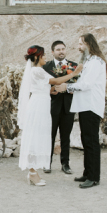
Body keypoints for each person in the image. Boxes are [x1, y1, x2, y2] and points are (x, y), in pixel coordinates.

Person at [17, 45, 81, 186]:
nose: (45, 57)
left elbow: (44, 86)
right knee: (35, 137)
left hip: (42, 104)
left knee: (39, 137)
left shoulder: (38, 71)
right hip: (38, 106)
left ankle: (33, 172)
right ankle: (32, 173)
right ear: (37, 57)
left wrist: (50, 91)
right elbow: (57, 81)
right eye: (43, 55)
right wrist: (75, 73)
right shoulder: (37, 71)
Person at [53, 34, 107, 188]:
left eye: (80, 44)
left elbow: (87, 84)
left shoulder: (96, 61)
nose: (78, 47)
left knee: (91, 142)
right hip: (84, 105)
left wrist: (67, 87)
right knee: (86, 141)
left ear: (88, 44)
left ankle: (94, 177)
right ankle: (87, 173)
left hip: (91, 105)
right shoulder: (89, 61)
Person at [42, 40, 79, 174]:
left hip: (68, 106)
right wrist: (50, 89)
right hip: (51, 107)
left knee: (66, 136)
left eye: (63, 49)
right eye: (58, 49)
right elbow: (40, 87)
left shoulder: (74, 67)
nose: (61, 51)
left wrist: (70, 88)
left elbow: (79, 85)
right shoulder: (46, 67)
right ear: (52, 52)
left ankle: (65, 164)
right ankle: (47, 163)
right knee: (49, 136)